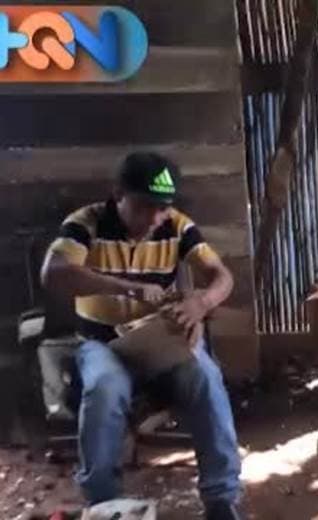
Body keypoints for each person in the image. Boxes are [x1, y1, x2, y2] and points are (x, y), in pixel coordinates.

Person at [41, 152, 242, 520]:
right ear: (118, 194)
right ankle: (104, 503)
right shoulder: (86, 223)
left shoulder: (177, 226)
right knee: (104, 387)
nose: (154, 218)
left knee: (207, 378)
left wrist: (201, 303)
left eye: (162, 208)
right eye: (144, 206)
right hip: (103, 344)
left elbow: (222, 276)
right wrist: (126, 287)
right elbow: (53, 272)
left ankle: (221, 500)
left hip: (158, 341)